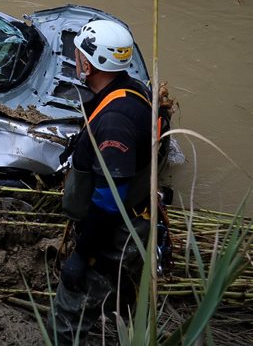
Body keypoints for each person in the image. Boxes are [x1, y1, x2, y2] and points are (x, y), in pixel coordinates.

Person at [47, 19, 169, 345]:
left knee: (66, 314)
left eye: (77, 56)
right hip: (129, 222)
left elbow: (109, 199)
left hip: (111, 236)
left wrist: (81, 256)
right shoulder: (131, 89)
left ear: (87, 64)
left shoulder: (115, 121)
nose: (75, 61)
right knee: (120, 295)